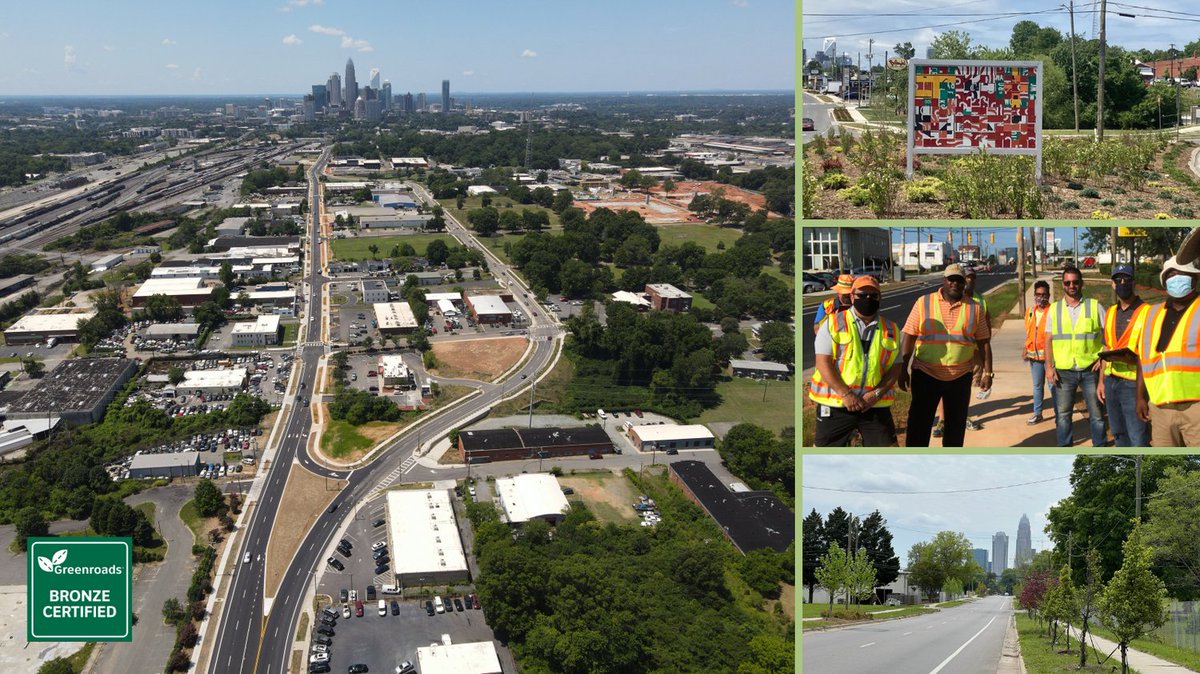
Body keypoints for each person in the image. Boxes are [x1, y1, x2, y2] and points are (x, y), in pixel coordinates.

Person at [898, 264, 992, 447]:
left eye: (959, 280)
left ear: (964, 282)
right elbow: (909, 336)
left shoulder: (975, 308)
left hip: (960, 377)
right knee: (919, 427)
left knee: (955, 432)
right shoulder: (924, 302)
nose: (954, 283)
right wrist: (903, 368)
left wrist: (988, 373)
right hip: (926, 375)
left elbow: (984, 343)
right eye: (951, 279)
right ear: (944, 280)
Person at [809, 276, 903, 446]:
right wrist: (846, 394)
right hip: (836, 403)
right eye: (862, 294)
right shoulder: (832, 324)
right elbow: (823, 363)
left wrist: (876, 394)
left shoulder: (891, 329)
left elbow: (896, 368)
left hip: (873, 404)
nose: (868, 298)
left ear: (880, 298)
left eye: (873, 295)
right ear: (852, 297)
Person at [1132, 256, 1200, 446]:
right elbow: (1142, 357)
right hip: (1160, 408)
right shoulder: (1150, 314)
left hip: (1195, 407)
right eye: (1171, 274)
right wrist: (1140, 396)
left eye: (1181, 273)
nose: (1176, 277)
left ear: (1194, 278)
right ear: (1164, 281)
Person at [1044, 266, 1107, 447]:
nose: (1072, 285)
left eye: (1075, 282)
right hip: (1063, 372)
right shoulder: (1054, 309)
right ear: (1063, 285)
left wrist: (1102, 357)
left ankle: (1100, 449)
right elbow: (1048, 339)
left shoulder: (1095, 306)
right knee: (1063, 416)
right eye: (1067, 282)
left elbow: (1109, 337)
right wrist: (1049, 367)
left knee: (1096, 415)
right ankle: (1065, 448)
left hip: (1089, 370)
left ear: (1081, 283)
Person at [1097, 264, 1149, 447]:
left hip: (1133, 384)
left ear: (1133, 282)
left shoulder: (1146, 312)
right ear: (1113, 284)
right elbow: (1106, 347)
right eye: (1118, 280)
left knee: (1137, 436)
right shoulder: (1110, 312)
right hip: (1111, 382)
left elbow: (1150, 352)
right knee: (1119, 435)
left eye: (1126, 279)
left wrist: (1141, 394)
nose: (1122, 283)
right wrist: (1101, 381)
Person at [934, 265, 989, 435]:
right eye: (969, 277)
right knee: (945, 387)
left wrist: (984, 354)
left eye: (972, 277)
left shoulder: (980, 300)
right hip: (952, 353)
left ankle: (962, 416)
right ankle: (942, 420)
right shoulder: (956, 298)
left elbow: (986, 325)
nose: (970, 280)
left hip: (974, 352)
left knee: (966, 387)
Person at [1023, 280, 1055, 424]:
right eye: (1038, 294)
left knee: (1053, 386)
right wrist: (1026, 347)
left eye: (1044, 294)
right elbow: (1029, 332)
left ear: (1048, 295)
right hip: (1034, 357)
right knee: (1037, 386)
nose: (1041, 297)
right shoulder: (1030, 311)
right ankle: (1038, 413)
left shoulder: (1053, 311)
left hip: (1049, 358)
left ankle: (1060, 414)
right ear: (1034, 295)